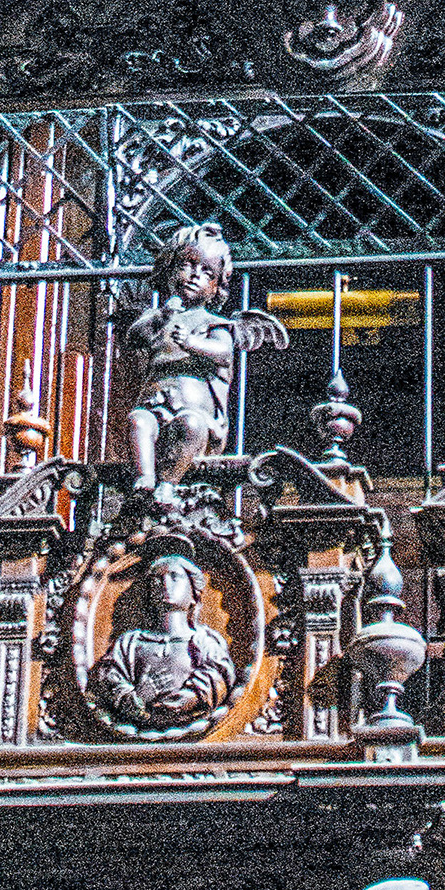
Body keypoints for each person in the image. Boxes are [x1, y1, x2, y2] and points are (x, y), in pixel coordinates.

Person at [114, 230, 284, 509]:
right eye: (186, 265)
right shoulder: (158, 318)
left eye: (207, 272)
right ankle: (145, 478)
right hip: (156, 403)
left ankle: (168, 485)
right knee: (138, 421)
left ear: (217, 287)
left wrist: (192, 342)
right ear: (168, 273)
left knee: (189, 426)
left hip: (197, 415)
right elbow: (134, 336)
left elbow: (224, 352)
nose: (195, 275)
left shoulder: (214, 324)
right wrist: (161, 316)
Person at [88, 547, 237, 732]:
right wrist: (140, 696)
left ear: (193, 593)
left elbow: (218, 676)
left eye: (175, 577)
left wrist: (192, 697)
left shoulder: (206, 642)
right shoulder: (129, 644)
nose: (165, 584)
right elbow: (110, 682)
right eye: (157, 580)